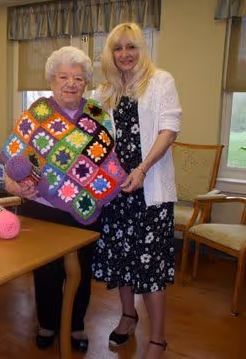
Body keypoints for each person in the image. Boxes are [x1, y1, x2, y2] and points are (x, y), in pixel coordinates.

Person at [2, 46, 126, 352]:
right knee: (46, 270)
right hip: (41, 207)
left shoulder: (98, 115)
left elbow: (106, 162)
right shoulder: (36, 115)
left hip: (85, 209)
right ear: (51, 80)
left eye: (78, 78)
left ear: (86, 82)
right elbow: (11, 166)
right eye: (64, 77)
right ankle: (47, 323)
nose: (71, 83)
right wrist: (16, 189)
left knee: (81, 272)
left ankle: (75, 325)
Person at [92, 23, 181, 358]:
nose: (125, 54)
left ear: (142, 50)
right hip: (116, 193)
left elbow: (169, 129)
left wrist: (142, 170)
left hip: (150, 191)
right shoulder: (105, 92)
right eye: (118, 48)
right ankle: (128, 316)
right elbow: (98, 140)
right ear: (110, 54)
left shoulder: (160, 81)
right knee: (121, 260)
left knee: (151, 266)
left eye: (131, 47)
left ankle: (157, 337)